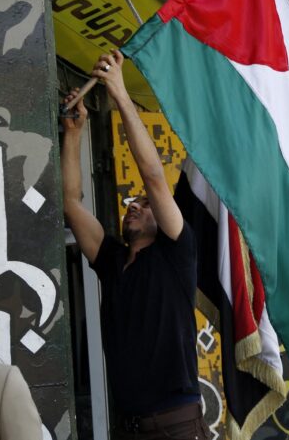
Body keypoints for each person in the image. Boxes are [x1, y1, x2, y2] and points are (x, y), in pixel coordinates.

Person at [61, 50, 210, 440]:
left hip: (177, 426)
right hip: (128, 427)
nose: (135, 207)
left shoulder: (176, 251)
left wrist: (119, 93)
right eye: (134, 203)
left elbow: (153, 176)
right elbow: (71, 203)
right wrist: (73, 135)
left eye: (145, 206)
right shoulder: (112, 260)